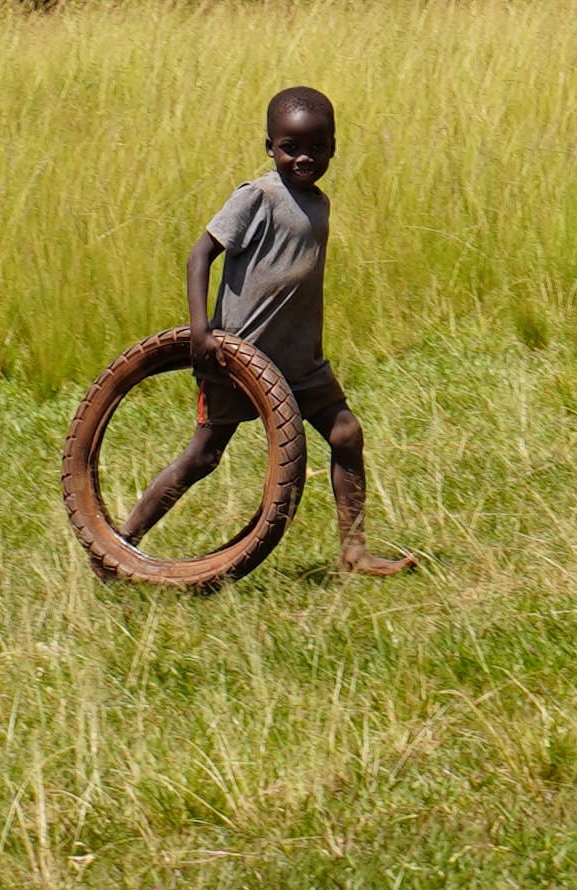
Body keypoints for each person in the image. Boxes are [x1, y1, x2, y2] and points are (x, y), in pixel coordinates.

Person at [120, 84, 415, 574]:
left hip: (301, 359)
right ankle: (119, 544)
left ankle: (354, 550)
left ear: (334, 146)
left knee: (346, 435)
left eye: (317, 147)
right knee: (203, 457)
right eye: (290, 147)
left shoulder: (319, 201)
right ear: (269, 147)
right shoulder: (257, 196)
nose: (304, 157)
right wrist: (200, 331)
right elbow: (200, 256)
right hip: (240, 357)